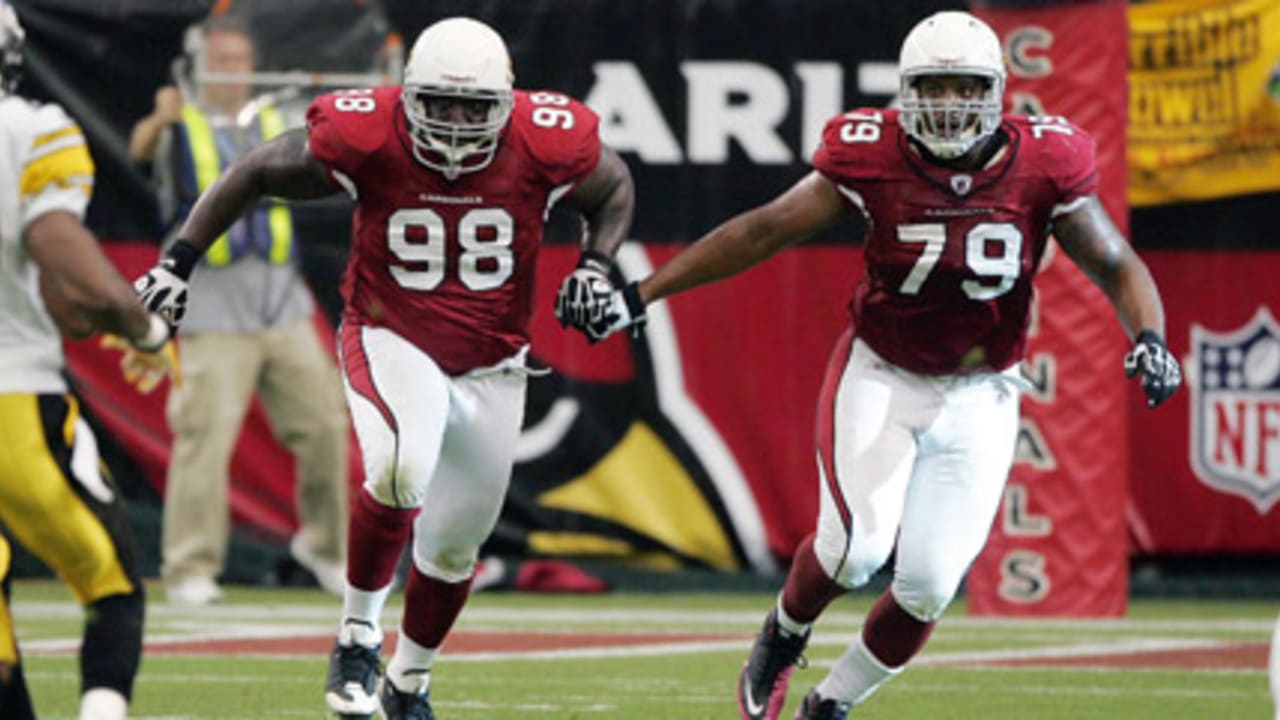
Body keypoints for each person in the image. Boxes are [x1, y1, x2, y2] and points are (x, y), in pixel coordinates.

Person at [558, 11, 1182, 720]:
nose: (948, 106)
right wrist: (641, 295)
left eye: (964, 89)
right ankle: (784, 633)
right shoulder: (872, 154)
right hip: (883, 372)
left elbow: (1113, 260)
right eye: (934, 89)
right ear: (907, 92)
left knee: (929, 586)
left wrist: (1151, 336)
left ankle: (832, 703)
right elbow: (762, 229)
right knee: (854, 551)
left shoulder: (1047, 162)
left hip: (982, 391)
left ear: (997, 93)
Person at [132, 15, 635, 719]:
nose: (458, 124)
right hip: (392, 333)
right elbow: (252, 172)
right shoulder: (366, 133)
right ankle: (358, 636)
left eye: (474, 107)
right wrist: (179, 262)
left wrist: (599, 265)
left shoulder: (547, 138)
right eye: (440, 104)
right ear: (405, 95)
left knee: (456, 546)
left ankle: (409, 681)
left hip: (494, 361)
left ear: (507, 102)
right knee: (399, 467)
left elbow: (612, 185)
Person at [128, 14, 349, 605]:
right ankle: (190, 565)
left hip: (279, 295)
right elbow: (139, 152)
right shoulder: (183, 121)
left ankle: (325, 549)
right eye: (220, 60)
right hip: (212, 299)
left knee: (327, 423)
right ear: (200, 64)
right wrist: (159, 117)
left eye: (239, 60)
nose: (232, 71)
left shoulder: (278, 118)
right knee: (205, 435)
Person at [0, 3, 178, 718]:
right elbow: (54, 246)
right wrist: (143, 329)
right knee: (114, 591)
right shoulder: (28, 128)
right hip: (12, 399)